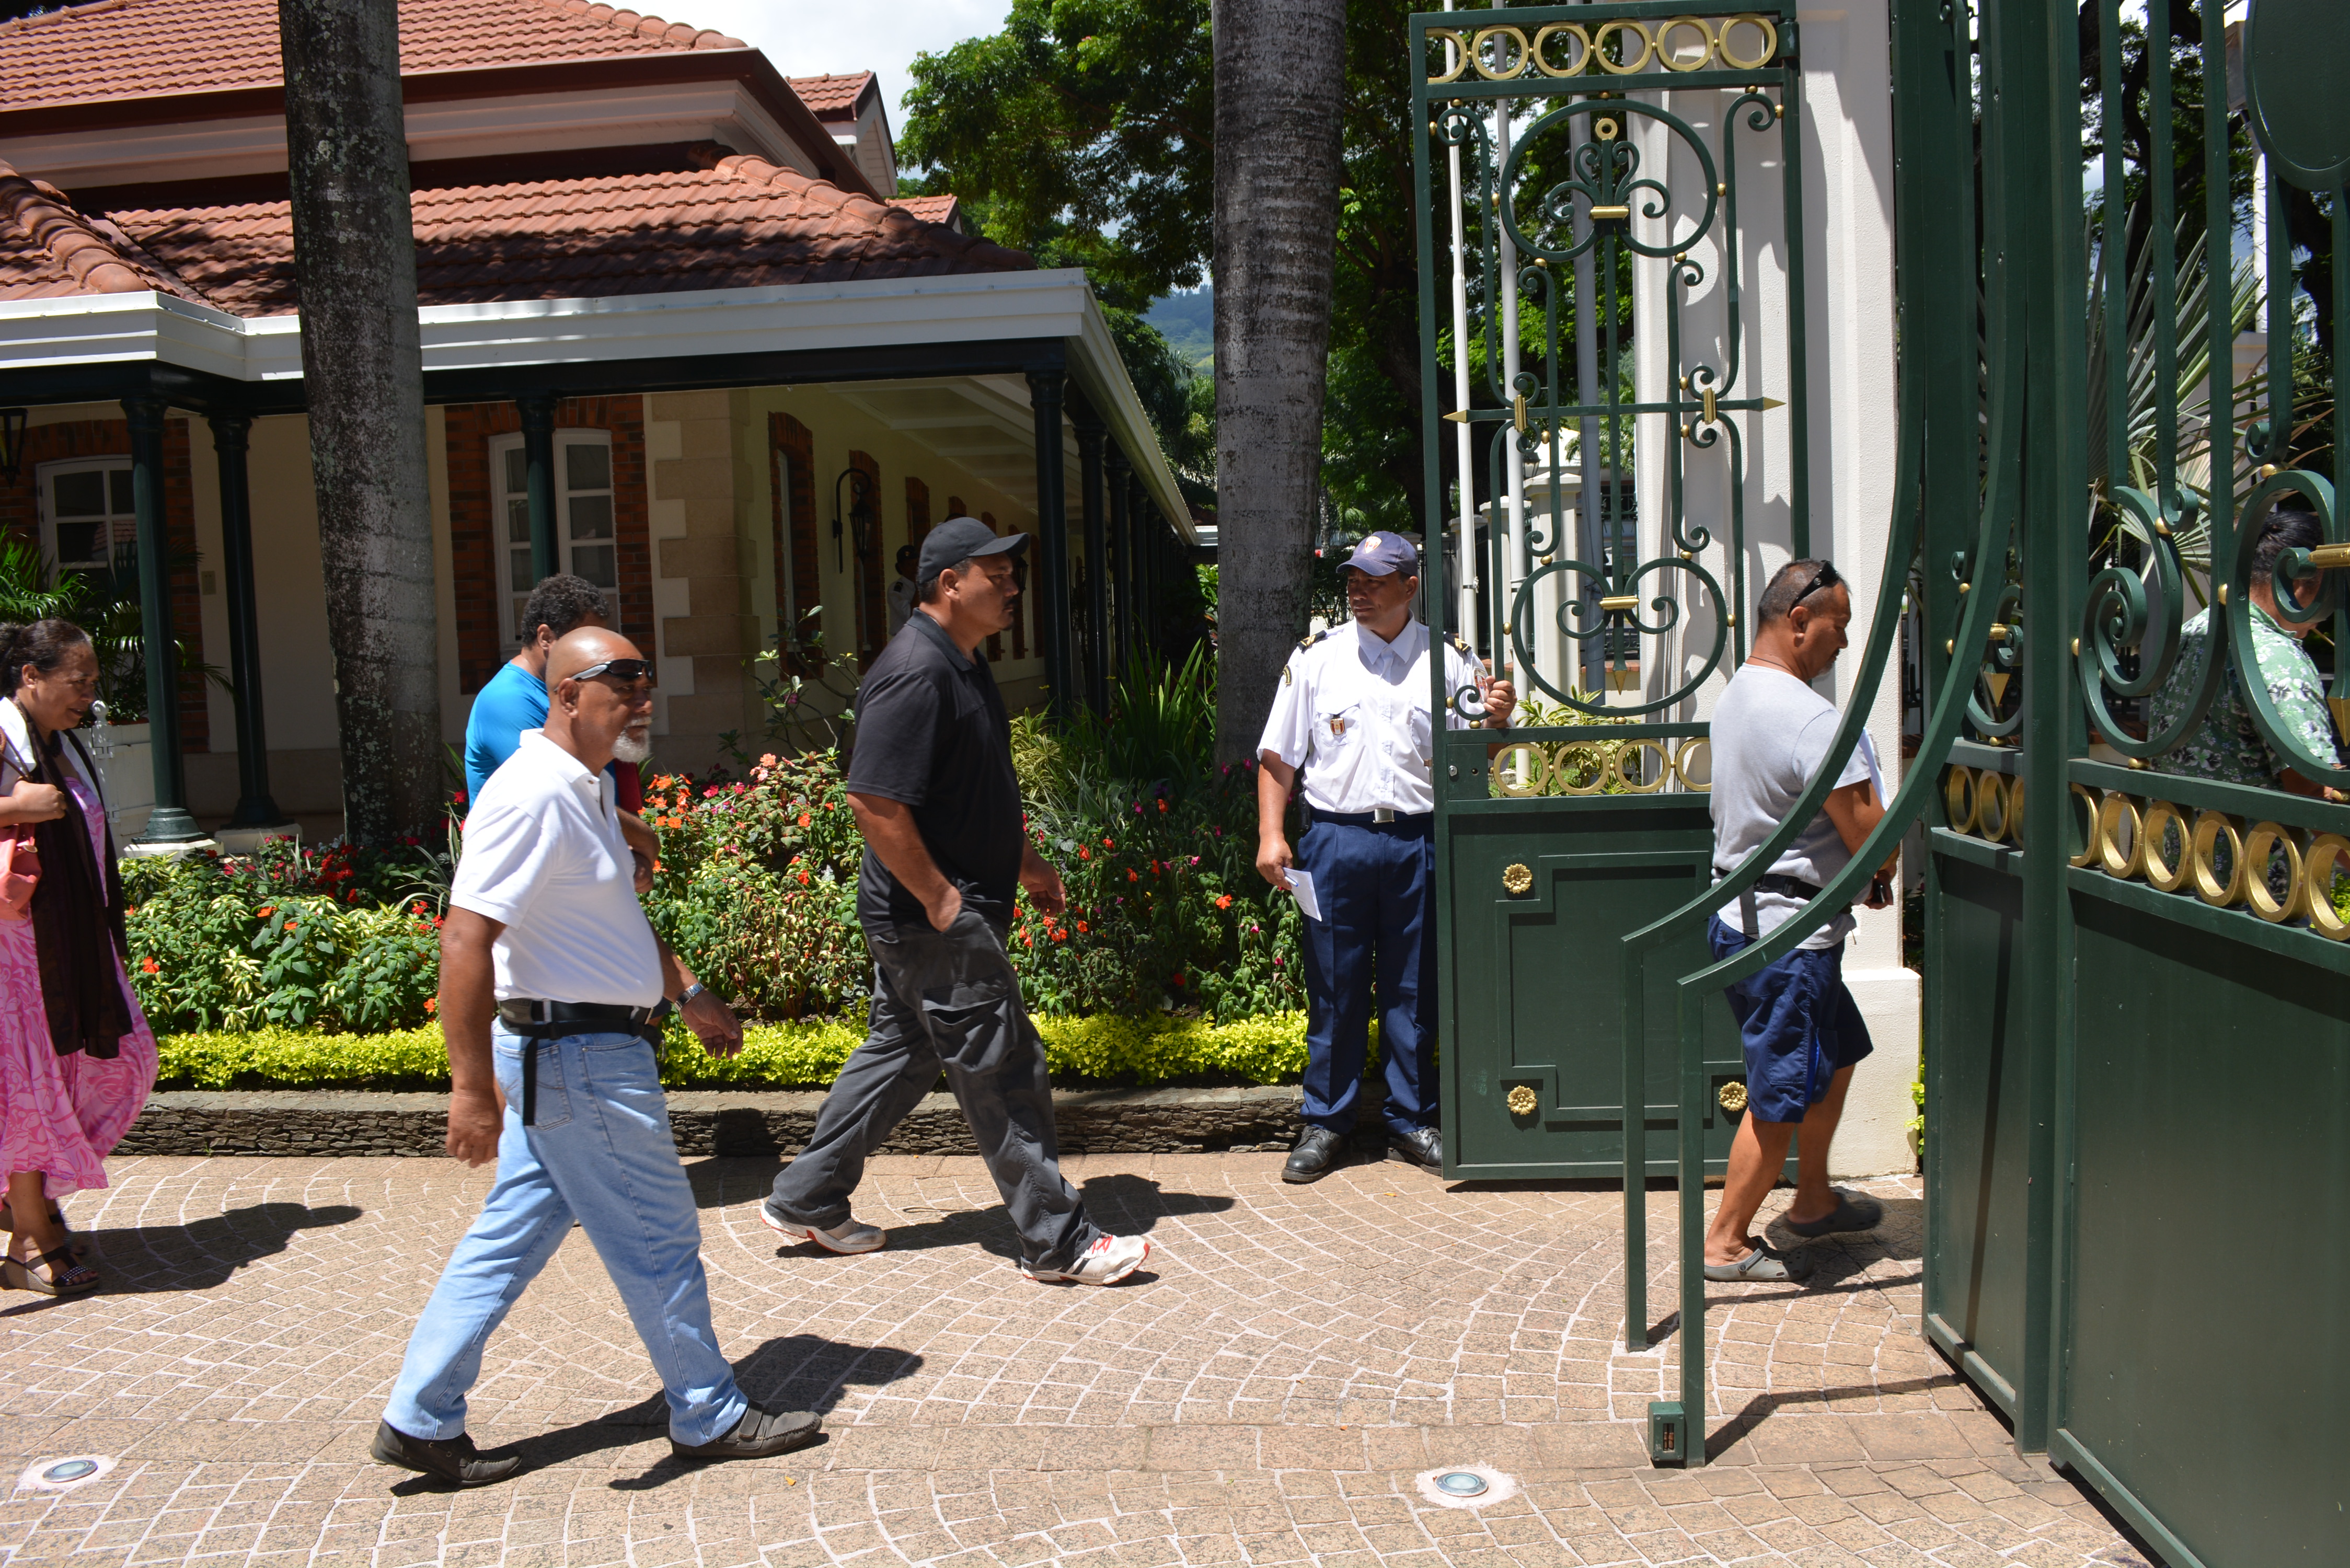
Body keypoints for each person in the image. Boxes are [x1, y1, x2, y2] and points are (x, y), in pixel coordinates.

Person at [375, 627, 818, 1486]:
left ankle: (419, 1416)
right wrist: (469, 1088)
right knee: (659, 1237)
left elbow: (608, 918)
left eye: (646, 682)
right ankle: (709, 1413)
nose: (642, 700)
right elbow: (464, 939)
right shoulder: (533, 793)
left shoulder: (582, 787)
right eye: (622, 684)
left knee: (511, 1236)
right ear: (568, 694)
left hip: (570, 1056)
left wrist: (686, 992)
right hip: (577, 1058)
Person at [762, 516, 1150, 1285]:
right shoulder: (916, 671)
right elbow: (874, 801)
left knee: (903, 1053)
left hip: (933, 913)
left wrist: (1026, 862)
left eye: (1013, 575)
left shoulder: (961, 662)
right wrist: (943, 902)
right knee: (1001, 1064)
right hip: (932, 919)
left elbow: (973, 791)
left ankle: (808, 1195)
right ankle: (1057, 1242)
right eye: (995, 575)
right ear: (948, 584)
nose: (1012, 587)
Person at [1253, 533, 1516, 1184]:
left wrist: (1496, 725)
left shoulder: (1450, 662)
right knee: (1334, 987)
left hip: (1419, 839)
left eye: (1373, 580)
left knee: (1414, 988)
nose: (1358, 590)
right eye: (1353, 579)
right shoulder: (1318, 659)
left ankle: (1410, 1120)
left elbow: (1477, 762)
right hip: (1336, 840)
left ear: (1410, 585)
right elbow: (1278, 756)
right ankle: (1326, 1122)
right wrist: (1270, 834)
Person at [1700, 559, 1896, 1284]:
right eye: (1837, 627)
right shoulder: (1810, 719)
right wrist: (1885, 858)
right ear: (1799, 621)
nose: (1842, 643)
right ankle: (1724, 1243)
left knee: (1837, 1054)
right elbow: (1874, 839)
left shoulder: (1739, 693)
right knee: (1778, 1097)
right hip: (1789, 935)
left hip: (1751, 916)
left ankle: (1812, 1201)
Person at [0, 620, 156, 1296]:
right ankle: (35, 1237)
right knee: (29, 1092)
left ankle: (23, 1209)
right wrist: (13, 805)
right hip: (15, 957)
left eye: (94, 680)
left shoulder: (56, 743)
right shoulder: (7, 736)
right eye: (79, 679)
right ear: (31, 676)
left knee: (123, 1061)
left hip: (62, 949)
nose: (90, 694)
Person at [464, 574, 653, 886]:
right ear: (546, 638)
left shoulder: (571, 690)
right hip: (530, 882)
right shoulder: (507, 700)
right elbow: (567, 793)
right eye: (584, 638)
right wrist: (644, 839)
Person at [2150, 502, 2342, 792]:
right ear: (2298, 580)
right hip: (2251, 823)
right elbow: (2313, 787)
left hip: (2179, 818)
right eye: (2330, 589)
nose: (2330, 607)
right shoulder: (2277, 658)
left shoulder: (2195, 630)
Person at [886, 543, 920, 637]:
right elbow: (911, 615)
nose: (915, 568)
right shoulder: (897, 589)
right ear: (901, 567)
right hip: (904, 637)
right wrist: (919, 588)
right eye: (910, 564)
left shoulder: (926, 586)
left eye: (917, 563)